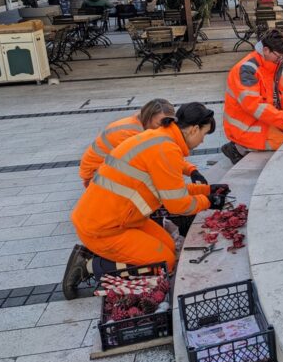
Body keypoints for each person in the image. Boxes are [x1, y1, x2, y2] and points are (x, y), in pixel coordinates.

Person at [63, 102, 226, 299]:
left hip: (121, 218)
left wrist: (207, 189)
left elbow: (171, 190)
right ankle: (88, 265)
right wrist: (209, 201)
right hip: (104, 228)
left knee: (168, 246)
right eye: (204, 134)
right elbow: (178, 204)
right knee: (164, 261)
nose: (202, 142)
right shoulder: (166, 150)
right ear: (193, 129)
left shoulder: (159, 139)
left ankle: (102, 256)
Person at [78, 98, 207, 188]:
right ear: (148, 117)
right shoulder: (131, 133)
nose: (164, 127)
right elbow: (160, 161)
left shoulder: (143, 126)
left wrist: (191, 170)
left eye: (167, 122)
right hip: (93, 176)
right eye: (159, 123)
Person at [221, 30, 283, 163]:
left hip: (262, 118)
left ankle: (241, 146)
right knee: (281, 142)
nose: (281, 60)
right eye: (279, 56)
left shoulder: (271, 65)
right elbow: (254, 106)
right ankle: (237, 148)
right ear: (266, 50)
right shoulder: (246, 70)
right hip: (245, 126)